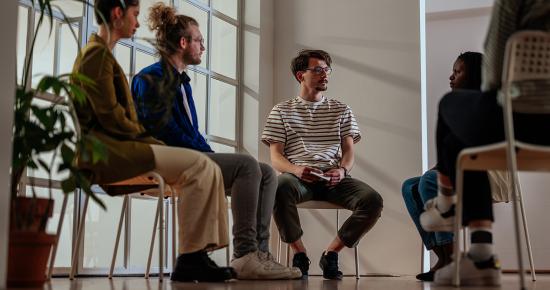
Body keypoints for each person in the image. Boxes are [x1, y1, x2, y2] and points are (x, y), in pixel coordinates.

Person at [131, 3, 301, 280]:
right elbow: (162, 130)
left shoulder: (181, 82)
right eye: (199, 40)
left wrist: (204, 152)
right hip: (165, 161)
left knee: (267, 172)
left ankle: (258, 253)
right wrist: (202, 153)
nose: (203, 47)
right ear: (183, 42)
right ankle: (244, 253)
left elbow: (188, 132)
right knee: (246, 164)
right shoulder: (151, 78)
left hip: (190, 157)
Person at [71, 0, 235, 282]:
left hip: (120, 147)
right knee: (201, 165)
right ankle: (191, 257)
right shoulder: (96, 55)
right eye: (134, 15)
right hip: (108, 152)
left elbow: (116, 117)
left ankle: (196, 255)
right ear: (117, 13)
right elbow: (111, 118)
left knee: (205, 165)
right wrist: (150, 142)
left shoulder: (102, 54)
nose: (137, 23)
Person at [420, 0, 550, 286]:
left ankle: (447, 204)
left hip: (521, 116)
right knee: (458, 142)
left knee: (448, 104)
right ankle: (481, 254)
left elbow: (494, 67)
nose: (452, 76)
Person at [261, 49, 383, 280]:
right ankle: (300, 254)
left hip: (334, 178)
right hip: (298, 178)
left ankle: (331, 253)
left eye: (326, 70)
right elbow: (276, 157)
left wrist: (342, 170)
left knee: (372, 200)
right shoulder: (281, 111)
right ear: (300, 76)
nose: (325, 74)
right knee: (278, 187)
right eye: (317, 70)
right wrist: (297, 170)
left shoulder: (341, 109)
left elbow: (349, 152)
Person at [401, 51, 483, 282]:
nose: (451, 77)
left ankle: (454, 257)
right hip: (458, 171)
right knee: (410, 186)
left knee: (429, 180)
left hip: (483, 170)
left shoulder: (486, 104)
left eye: (458, 72)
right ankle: (444, 256)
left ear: (474, 76)